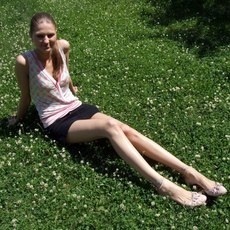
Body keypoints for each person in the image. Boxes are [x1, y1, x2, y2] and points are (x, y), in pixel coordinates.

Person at [8, 12, 227, 207]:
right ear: (31, 36)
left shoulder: (63, 46)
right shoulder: (25, 61)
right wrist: (18, 118)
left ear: (56, 33)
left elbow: (66, 72)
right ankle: (163, 186)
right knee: (110, 126)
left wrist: (72, 88)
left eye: (50, 34)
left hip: (76, 106)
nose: (46, 40)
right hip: (56, 120)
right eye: (40, 36)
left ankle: (187, 171)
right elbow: (26, 96)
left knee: (126, 129)